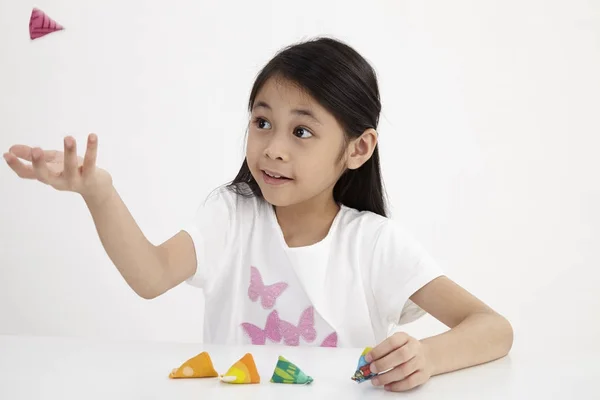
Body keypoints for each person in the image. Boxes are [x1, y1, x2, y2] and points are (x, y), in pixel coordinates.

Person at [4, 37, 513, 392]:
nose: (272, 148)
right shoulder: (232, 215)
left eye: (302, 131)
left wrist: (426, 358)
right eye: (262, 122)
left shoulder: (374, 244)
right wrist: (99, 191)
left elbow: (492, 327)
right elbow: (151, 275)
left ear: (358, 148)